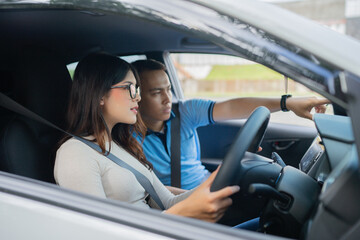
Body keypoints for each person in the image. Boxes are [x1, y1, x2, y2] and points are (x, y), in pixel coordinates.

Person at [53, 52, 240, 223]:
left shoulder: (124, 145)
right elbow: (95, 231)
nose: (138, 98)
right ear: (100, 95)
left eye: (138, 89)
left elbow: (168, 202)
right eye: (129, 88)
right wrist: (182, 214)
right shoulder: (75, 153)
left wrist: (219, 178)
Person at [132, 59, 329, 191]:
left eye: (168, 89)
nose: (168, 99)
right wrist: (193, 198)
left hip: (210, 185)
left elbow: (231, 107)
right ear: (137, 96)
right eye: (156, 93)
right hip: (182, 202)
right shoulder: (126, 137)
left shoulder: (185, 111)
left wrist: (287, 103)